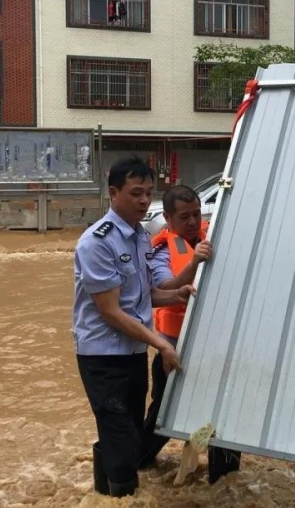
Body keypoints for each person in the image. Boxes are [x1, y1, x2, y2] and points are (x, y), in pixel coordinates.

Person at [73, 157, 194, 498]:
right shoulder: (98, 242)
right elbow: (111, 312)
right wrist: (162, 343)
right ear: (113, 193)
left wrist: (175, 294)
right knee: (124, 440)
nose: (144, 201)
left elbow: (143, 297)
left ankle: (105, 494)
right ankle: (122, 497)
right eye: (136, 193)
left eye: (148, 193)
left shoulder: (140, 237)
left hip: (132, 353)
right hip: (103, 356)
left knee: (121, 433)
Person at [138, 184, 242, 483]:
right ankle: (138, 465)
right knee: (163, 413)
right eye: (184, 217)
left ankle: (225, 482)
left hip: (217, 349)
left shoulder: (217, 236)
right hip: (175, 352)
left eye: (197, 214)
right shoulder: (161, 251)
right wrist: (194, 262)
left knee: (222, 412)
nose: (193, 222)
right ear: (168, 219)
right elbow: (165, 288)